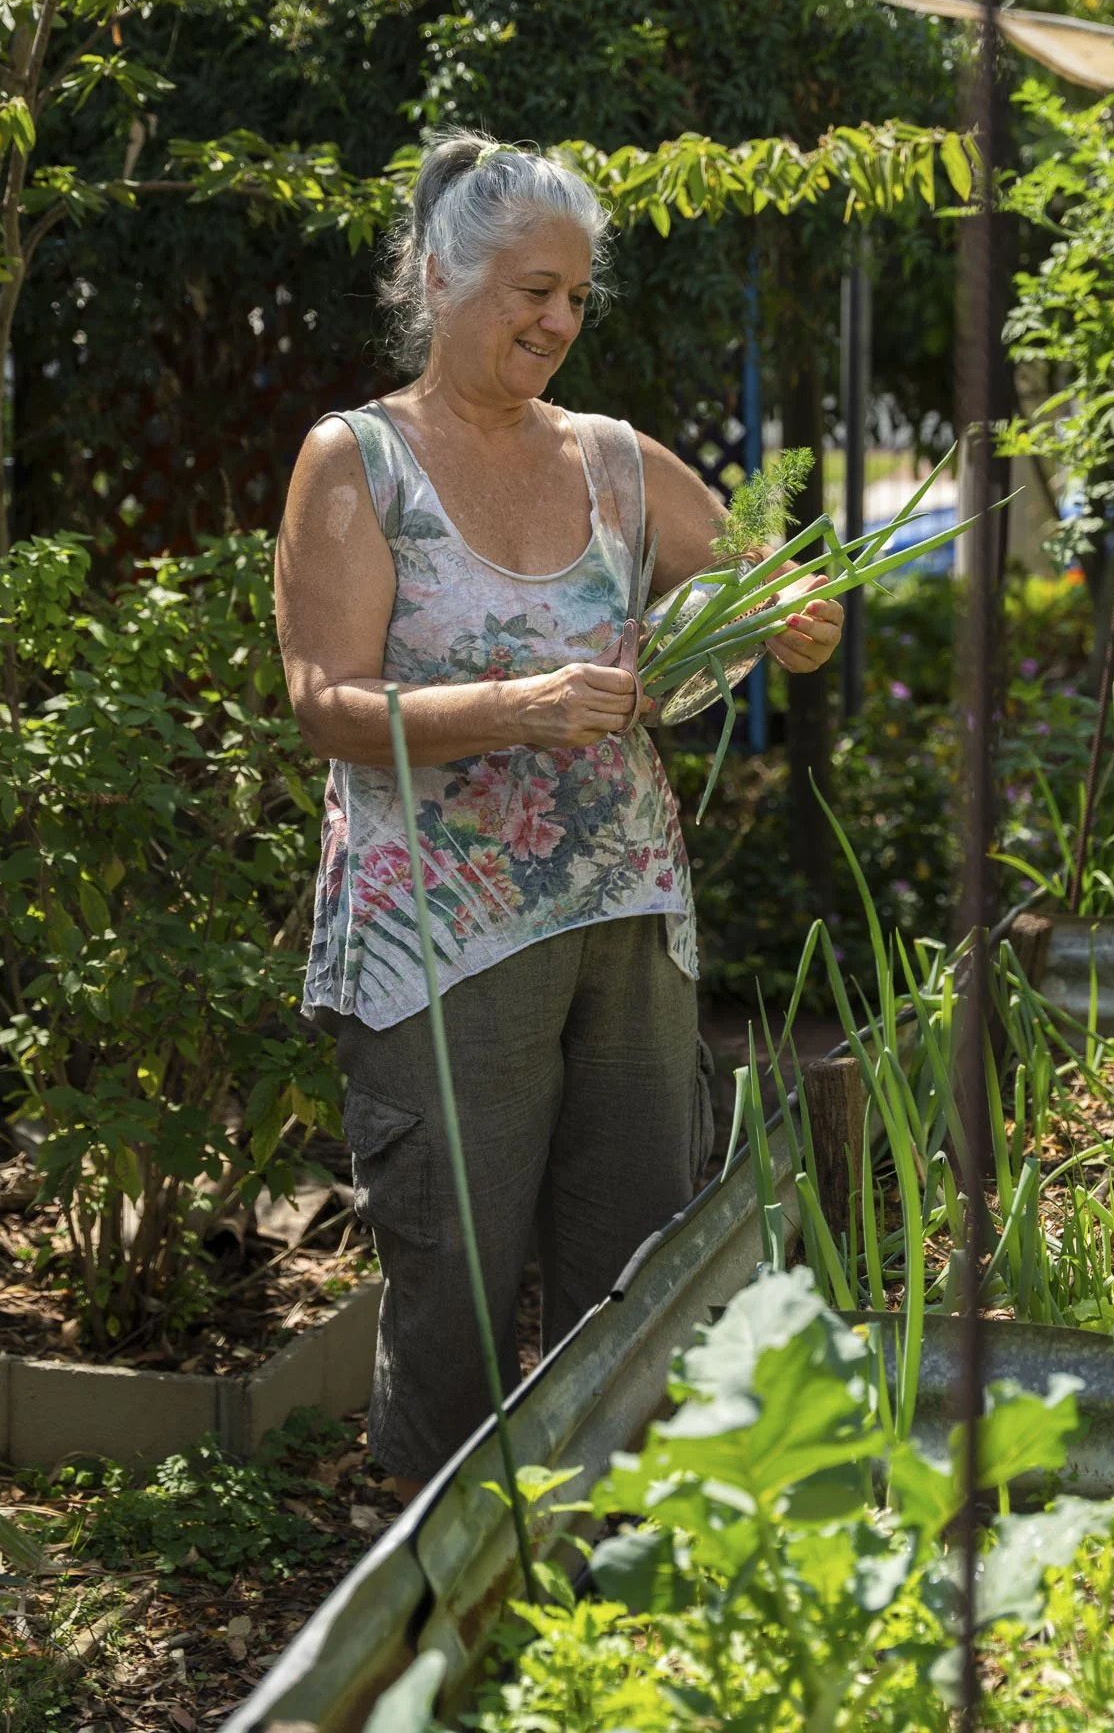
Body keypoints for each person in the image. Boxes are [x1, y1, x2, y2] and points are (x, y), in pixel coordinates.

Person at [274, 130, 843, 1500]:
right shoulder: (358, 464)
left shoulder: (615, 460)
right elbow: (324, 703)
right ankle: (426, 1622)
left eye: (577, 297)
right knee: (457, 1293)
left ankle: (602, 1600)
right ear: (438, 276)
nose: (558, 321)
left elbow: (776, 586)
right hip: (445, 936)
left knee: (633, 1281)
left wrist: (793, 625)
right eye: (532, 288)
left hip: (629, 913)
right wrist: (517, 706)